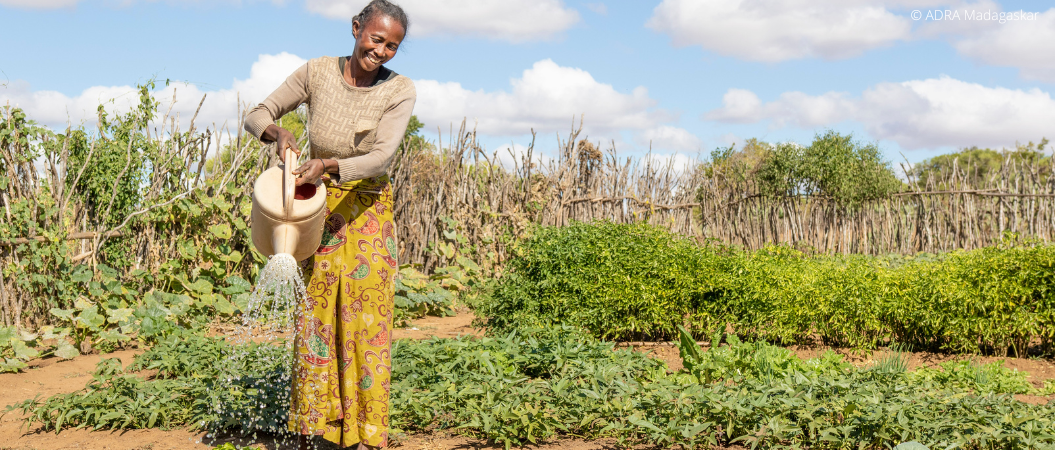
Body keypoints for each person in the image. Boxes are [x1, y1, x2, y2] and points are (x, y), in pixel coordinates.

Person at [243, 1, 414, 448]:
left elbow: (381, 156)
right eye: (376, 39)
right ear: (356, 28)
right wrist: (278, 135)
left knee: (365, 318)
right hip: (316, 206)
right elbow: (257, 113)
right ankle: (315, 429)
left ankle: (362, 433)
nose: (381, 51)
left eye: (392, 46)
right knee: (315, 314)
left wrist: (330, 164)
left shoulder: (399, 91)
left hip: (367, 208)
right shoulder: (317, 72)